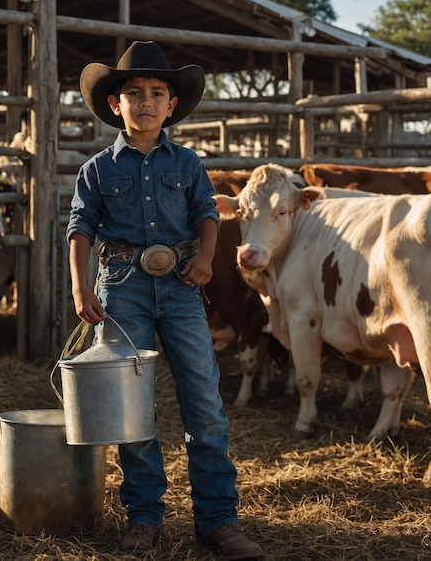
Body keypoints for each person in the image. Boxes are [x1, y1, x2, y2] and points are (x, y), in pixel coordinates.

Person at [66, 41, 265, 560]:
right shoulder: (97, 169)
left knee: (205, 404)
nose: (146, 102)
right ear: (116, 104)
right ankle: (144, 518)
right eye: (134, 93)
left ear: (172, 105)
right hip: (121, 284)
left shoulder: (189, 162)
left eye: (158, 93)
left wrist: (204, 256)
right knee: (132, 408)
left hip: (181, 286)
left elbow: (207, 212)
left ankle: (218, 520)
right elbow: (80, 227)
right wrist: (80, 285)